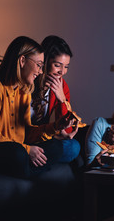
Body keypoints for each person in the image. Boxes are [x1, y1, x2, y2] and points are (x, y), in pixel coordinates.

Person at [0, 36, 76, 179]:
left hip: (10, 147)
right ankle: (29, 171)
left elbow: (26, 132)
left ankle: (24, 170)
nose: (41, 72)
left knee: (55, 147)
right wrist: (28, 150)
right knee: (18, 153)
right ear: (22, 61)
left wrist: (54, 127)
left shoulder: (23, 91)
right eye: (39, 65)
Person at [31, 35, 80, 163]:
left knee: (73, 147)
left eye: (66, 67)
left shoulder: (62, 86)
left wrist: (61, 99)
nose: (62, 72)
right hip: (22, 139)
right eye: (57, 65)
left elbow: (67, 130)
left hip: (41, 139)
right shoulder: (29, 80)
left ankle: (37, 163)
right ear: (44, 61)